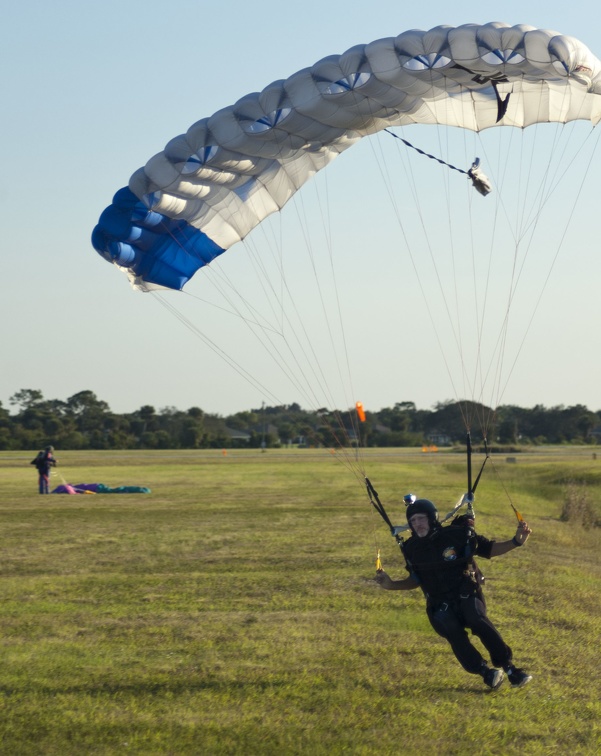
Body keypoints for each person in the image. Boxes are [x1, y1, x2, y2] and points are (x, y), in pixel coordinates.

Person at [376, 496, 533, 691]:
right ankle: (486, 673)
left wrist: (516, 541)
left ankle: (510, 669)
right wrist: (390, 585)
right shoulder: (412, 548)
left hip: (466, 594)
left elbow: (488, 549)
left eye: (421, 518)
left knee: (476, 617)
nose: (417, 524)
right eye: (413, 521)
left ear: (432, 518)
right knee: (451, 628)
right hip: (439, 603)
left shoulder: (456, 535)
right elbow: (415, 581)